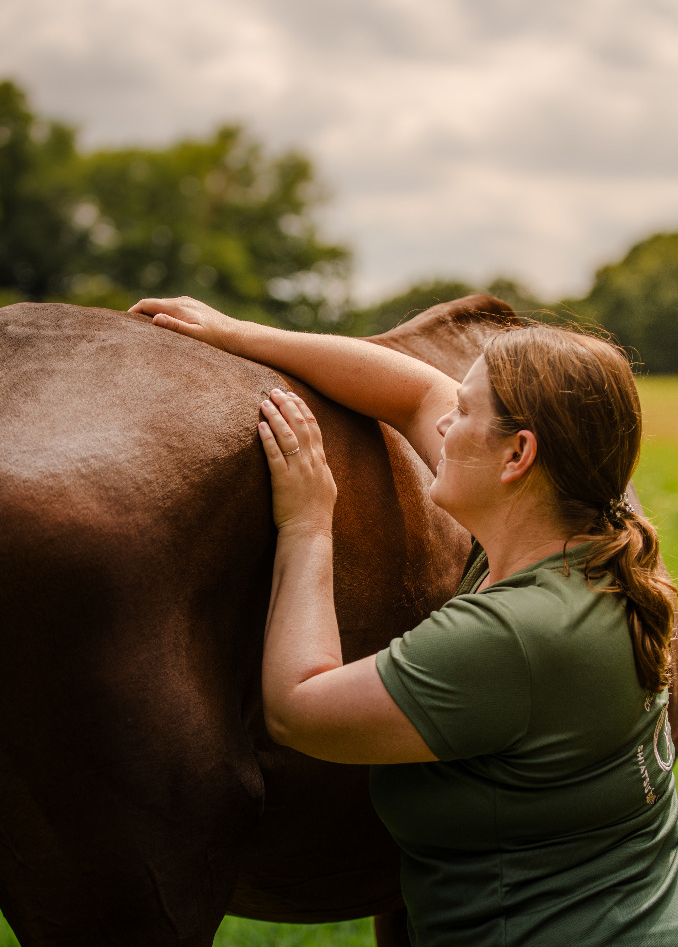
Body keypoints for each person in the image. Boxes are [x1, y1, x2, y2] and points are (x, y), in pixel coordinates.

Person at [130, 295, 678, 946]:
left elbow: (299, 708)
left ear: (517, 456)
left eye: (468, 414)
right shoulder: (589, 527)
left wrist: (308, 522)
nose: (446, 424)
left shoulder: (515, 634)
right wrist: (237, 332)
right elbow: (418, 393)